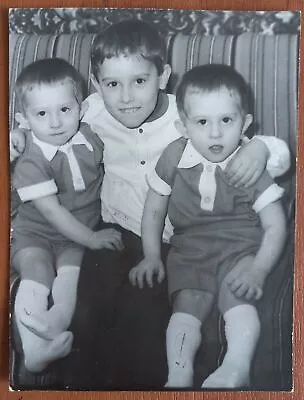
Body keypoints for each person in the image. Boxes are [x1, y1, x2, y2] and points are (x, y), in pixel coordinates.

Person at [10, 20, 290, 388]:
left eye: (139, 81)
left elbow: (270, 153)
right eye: (112, 84)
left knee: (146, 316)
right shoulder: (87, 111)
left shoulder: (188, 114)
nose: (126, 97)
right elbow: (43, 121)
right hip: (109, 232)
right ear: (96, 86)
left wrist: (260, 146)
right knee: (88, 306)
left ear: (163, 77)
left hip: (170, 243)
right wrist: (17, 135)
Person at [129, 64, 287, 389]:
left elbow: (275, 225)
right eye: (202, 122)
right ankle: (178, 374)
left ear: (244, 123)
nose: (215, 133)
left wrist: (258, 269)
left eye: (226, 121)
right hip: (190, 252)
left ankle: (236, 367)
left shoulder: (249, 163)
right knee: (187, 303)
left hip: (241, 249)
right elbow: (154, 210)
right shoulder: (173, 156)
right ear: (183, 126)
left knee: (236, 296)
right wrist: (151, 256)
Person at [11, 58, 123, 373]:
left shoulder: (89, 135)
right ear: (25, 118)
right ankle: (34, 352)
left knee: (71, 275)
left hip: (79, 231)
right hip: (37, 232)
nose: (56, 122)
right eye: (42, 114)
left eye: (65, 109)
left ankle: (55, 323)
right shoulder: (31, 160)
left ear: (81, 108)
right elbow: (52, 211)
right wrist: (92, 238)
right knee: (38, 271)